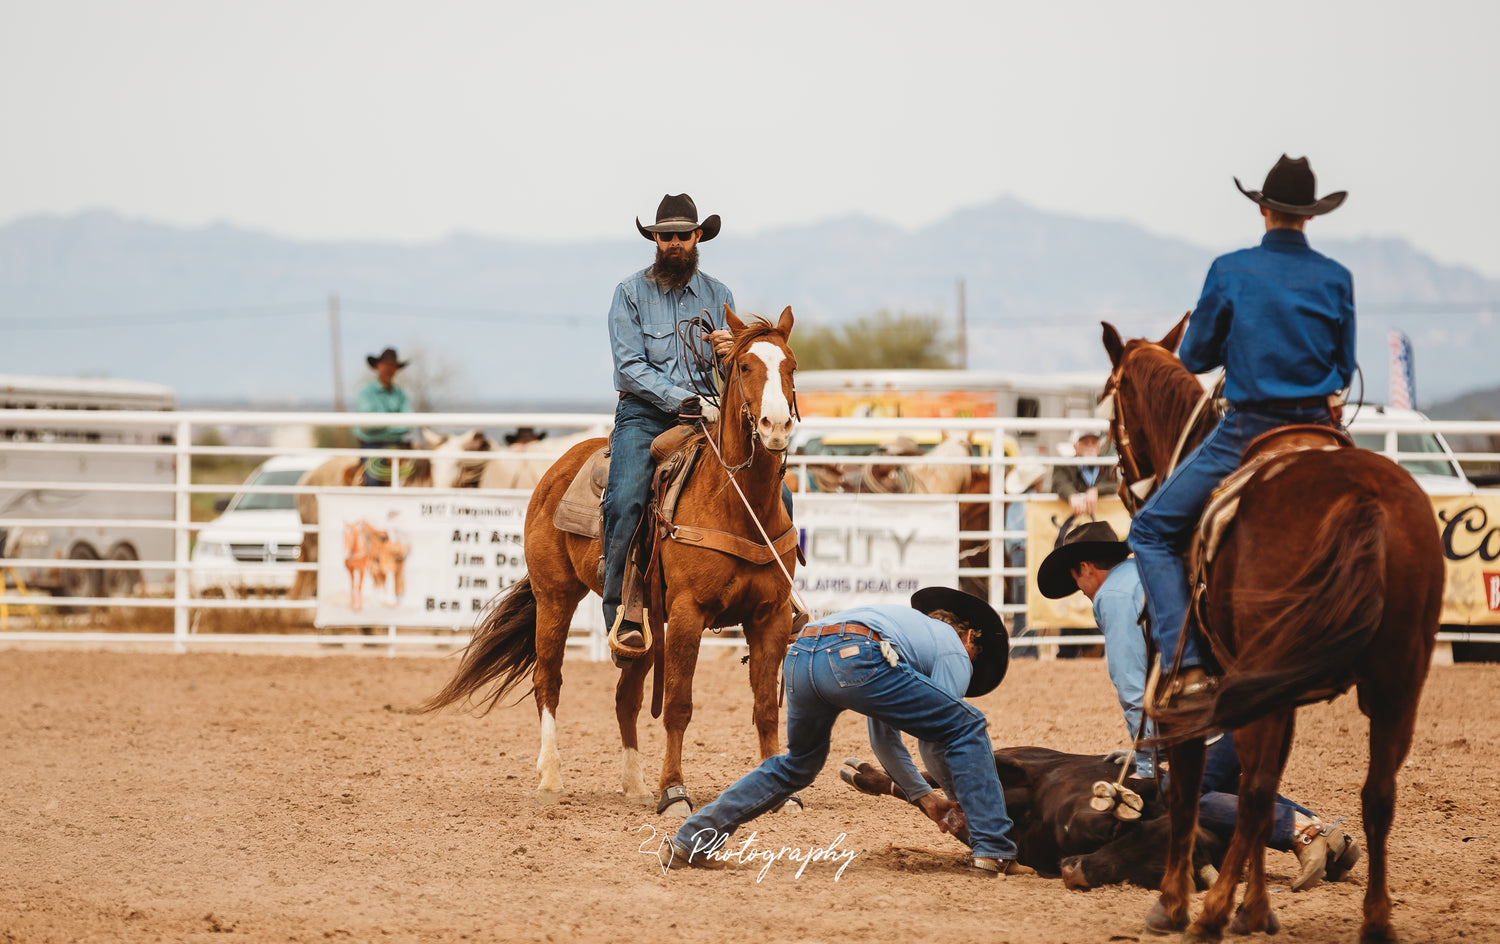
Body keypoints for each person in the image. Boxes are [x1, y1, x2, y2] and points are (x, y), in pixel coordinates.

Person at [1128, 155, 1353, 709]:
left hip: (1249, 430)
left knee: (1151, 532)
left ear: (1262, 208)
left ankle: (1187, 668)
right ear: (1311, 217)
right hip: (1321, 429)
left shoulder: (1231, 270)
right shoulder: (1336, 276)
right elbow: (1344, 369)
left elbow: (1197, 355)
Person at [1037, 521, 1361, 889]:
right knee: (1222, 779)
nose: (1080, 591)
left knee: (1178, 793)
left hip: (1208, 709)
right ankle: (1331, 836)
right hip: (1244, 689)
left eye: (1076, 579)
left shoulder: (1113, 596)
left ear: (1085, 567)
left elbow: (1131, 687)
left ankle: (1302, 830)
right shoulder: (1152, 574)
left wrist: (1147, 759)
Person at [659, 587, 1034, 877]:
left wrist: (925, 798)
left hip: (803, 653)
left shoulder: (902, 637)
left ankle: (692, 841)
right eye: (975, 657)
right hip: (857, 652)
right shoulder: (954, 646)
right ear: (969, 636)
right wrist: (964, 806)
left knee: (797, 766)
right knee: (968, 722)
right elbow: (943, 737)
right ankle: (995, 849)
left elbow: (884, 740)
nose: (969, 666)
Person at [602, 193, 736, 664]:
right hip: (645, 414)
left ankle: (777, 594)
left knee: (772, 490)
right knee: (626, 499)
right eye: (665, 236)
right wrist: (684, 398)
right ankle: (621, 613)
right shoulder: (629, 293)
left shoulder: (720, 296)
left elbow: (734, 377)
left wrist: (729, 354)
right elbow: (629, 367)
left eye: (682, 234)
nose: (674, 243)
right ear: (654, 240)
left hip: (707, 416)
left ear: (698, 237)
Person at [1002, 461, 1047, 659]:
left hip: (1018, 552)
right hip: (1028, 551)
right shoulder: (1033, 501)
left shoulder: (1015, 503)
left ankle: (1025, 649)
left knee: (1022, 601)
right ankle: (1022, 650)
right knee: (1029, 602)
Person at [353, 348, 414, 487]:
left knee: (418, 473)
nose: (389, 369)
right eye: (386, 365)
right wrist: (395, 424)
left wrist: (382, 424)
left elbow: (408, 423)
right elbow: (367, 426)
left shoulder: (399, 394)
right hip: (372, 444)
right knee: (372, 480)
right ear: (378, 366)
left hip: (397, 445)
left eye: (393, 366)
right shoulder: (366, 393)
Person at [1050, 430, 1118, 519]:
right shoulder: (1064, 464)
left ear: (1099, 447)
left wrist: (1096, 490)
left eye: (1094, 443)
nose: (1090, 446)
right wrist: (1071, 495)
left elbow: (1116, 484)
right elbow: (1060, 482)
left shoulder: (1107, 465)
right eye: (1085, 443)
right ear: (1075, 447)